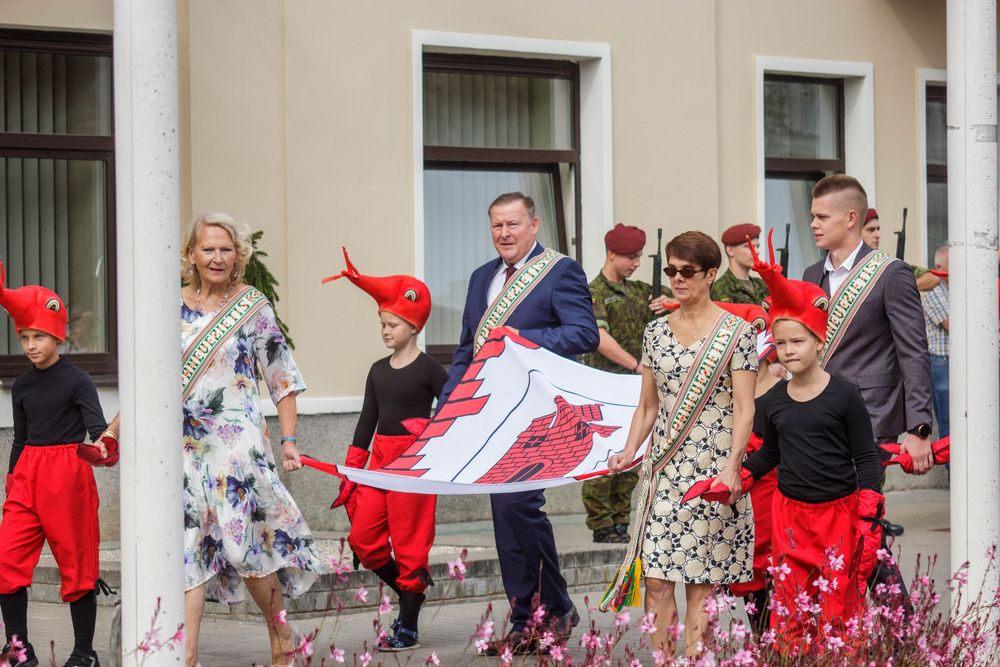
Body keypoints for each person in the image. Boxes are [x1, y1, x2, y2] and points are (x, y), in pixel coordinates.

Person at [439, 192, 598, 654]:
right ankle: (527, 618)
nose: (504, 234)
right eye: (497, 226)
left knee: (519, 506)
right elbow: (467, 349)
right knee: (504, 517)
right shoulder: (481, 278)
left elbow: (584, 333)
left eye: (513, 224)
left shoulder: (559, 271)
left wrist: (521, 337)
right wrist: (447, 409)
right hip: (492, 411)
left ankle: (555, 608)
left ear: (534, 224)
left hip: (539, 412)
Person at [605, 231, 757, 658]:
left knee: (701, 584)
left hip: (712, 472)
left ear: (711, 275)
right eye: (671, 270)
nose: (676, 278)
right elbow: (647, 406)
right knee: (655, 580)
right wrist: (629, 450)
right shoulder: (654, 332)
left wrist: (732, 467)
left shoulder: (738, 333)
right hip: (664, 474)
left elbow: (745, 408)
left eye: (687, 271)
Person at [180, 213, 322, 667]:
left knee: (246, 546)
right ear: (191, 254)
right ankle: (185, 656)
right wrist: (113, 433)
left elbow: (282, 378)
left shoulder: (251, 305)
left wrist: (289, 439)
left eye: (226, 249)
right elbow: (151, 380)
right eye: (208, 249)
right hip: (183, 448)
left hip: (236, 447)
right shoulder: (171, 308)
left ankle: (280, 632)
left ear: (238, 255)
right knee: (187, 548)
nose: (217, 257)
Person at [739, 240, 883, 651]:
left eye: (797, 342)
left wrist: (869, 507)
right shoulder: (773, 402)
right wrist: (741, 476)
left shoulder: (845, 395)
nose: (788, 351)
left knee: (838, 610)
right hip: (790, 517)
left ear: (819, 341)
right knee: (792, 609)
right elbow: (770, 454)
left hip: (838, 515)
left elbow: (865, 456)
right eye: (781, 343)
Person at [802, 175, 933, 602]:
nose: (814, 224)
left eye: (822, 217)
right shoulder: (810, 274)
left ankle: (900, 624)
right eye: (812, 216)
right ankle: (843, 621)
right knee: (829, 528)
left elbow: (913, 352)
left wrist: (919, 428)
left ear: (850, 218)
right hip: (817, 420)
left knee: (863, 524)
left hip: (870, 420)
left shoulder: (891, 274)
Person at [324, 249, 447, 651]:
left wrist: (432, 440)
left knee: (410, 544)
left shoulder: (430, 369)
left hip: (414, 465)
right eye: (382, 324)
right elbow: (367, 421)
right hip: (378, 463)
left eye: (393, 324)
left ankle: (407, 625)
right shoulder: (378, 370)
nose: (385, 330)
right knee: (363, 538)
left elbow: (453, 412)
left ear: (414, 326)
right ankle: (411, 594)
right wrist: (352, 470)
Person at [0, 267, 120, 667]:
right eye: (24, 338)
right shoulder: (21, 386)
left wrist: (105, 446)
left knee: (77, 566)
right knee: (6, 560)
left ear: (57, 336)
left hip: (67, 476)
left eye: (38, 336)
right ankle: (18, 650)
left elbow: (98, 430)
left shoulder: (78, 380)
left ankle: (84, 653)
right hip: (27, 476)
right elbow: (20, 437)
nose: (31, 345)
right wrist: (12, 479)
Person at [582, 223, 674, 544]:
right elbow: (599, 338)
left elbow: (686, 303)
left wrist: (668, 305)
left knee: (631, 452)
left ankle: (621, 519)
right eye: (630, 257)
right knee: (601, 454)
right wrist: (636, 365)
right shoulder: (593, 292)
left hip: (637, 390)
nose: (636, 263)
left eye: (638, 257)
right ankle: (601, 523)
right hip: (605, 387)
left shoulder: (640, 291)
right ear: (611, 254)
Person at [863, 208, 940, 291]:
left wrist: (903, 287)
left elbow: (934, 278)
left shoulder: (886, 262)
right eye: (871, 230)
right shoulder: (853, 264)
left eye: (878, 229)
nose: (878, 235)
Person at [922, 246, 950, 441]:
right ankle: (951, 460)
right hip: (941, 362)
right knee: (947, 419)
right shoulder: (933, 292)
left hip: (954, 360)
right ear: (939, 268)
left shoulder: (953, 290)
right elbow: (952, 325)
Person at [710, 223, 769, 305]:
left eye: (757, 246)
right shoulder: (720, 288)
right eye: (748, 247)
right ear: (730, 250)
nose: (756, 252)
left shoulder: (762, 285)